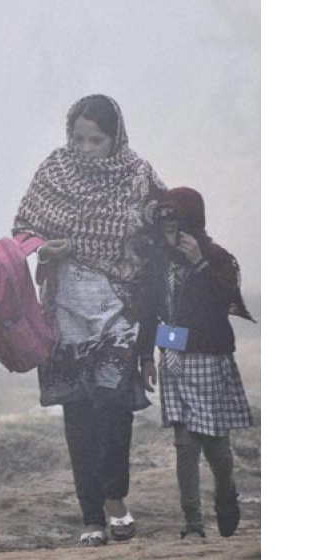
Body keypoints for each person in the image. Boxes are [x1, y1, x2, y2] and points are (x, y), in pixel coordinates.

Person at [12, 94, 165, 547]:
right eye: (77, 138)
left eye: (94, 139)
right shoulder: (54, 171)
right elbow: (24, 227)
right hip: (64, 316)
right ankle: (91, 516)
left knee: (115, 411)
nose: (84, 147)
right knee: (77, 415)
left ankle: (116, 499)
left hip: (119, 314)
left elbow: (163, 237)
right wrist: (45, 248)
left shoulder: (138, 176)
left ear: (114, 137)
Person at [136, 186, 255, 540]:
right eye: (166, 228)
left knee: (216, 445)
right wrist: (145, 357)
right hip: (173, 357)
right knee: (184, 444)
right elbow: (149, 315)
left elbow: (222, 307)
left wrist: (198, 265)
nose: (171, 236)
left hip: (209, 357)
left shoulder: (217, 259)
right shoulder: (156, 263)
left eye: (177, 227)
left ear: (193, 224)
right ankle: (193, 524)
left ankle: (225, 493)